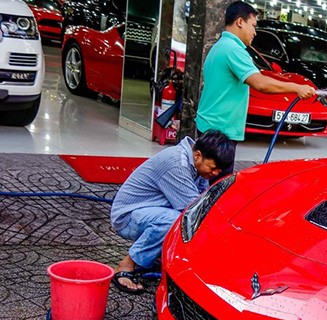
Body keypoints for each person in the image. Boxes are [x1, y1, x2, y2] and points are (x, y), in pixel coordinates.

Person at [196, 1, 316, 179]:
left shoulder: (219, 47)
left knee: (205, 183)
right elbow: (260, 83)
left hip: (209, 126)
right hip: (219, 132)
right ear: (239, 22)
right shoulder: (233, 50)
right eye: (253, 26)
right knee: (217, 187)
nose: (255, 32)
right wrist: (296, 88)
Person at [110, 131, 235, 293]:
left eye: (219, 170)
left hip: (151, 209)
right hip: (127, 217)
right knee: (175, 220)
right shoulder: (177, 164)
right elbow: (195, 210)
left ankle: (157, 254)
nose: (216, 174)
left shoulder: (197, 163)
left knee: (185, 220)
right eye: (213, 168)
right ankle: (126, 264)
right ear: (198, 155)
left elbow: (204, 200)